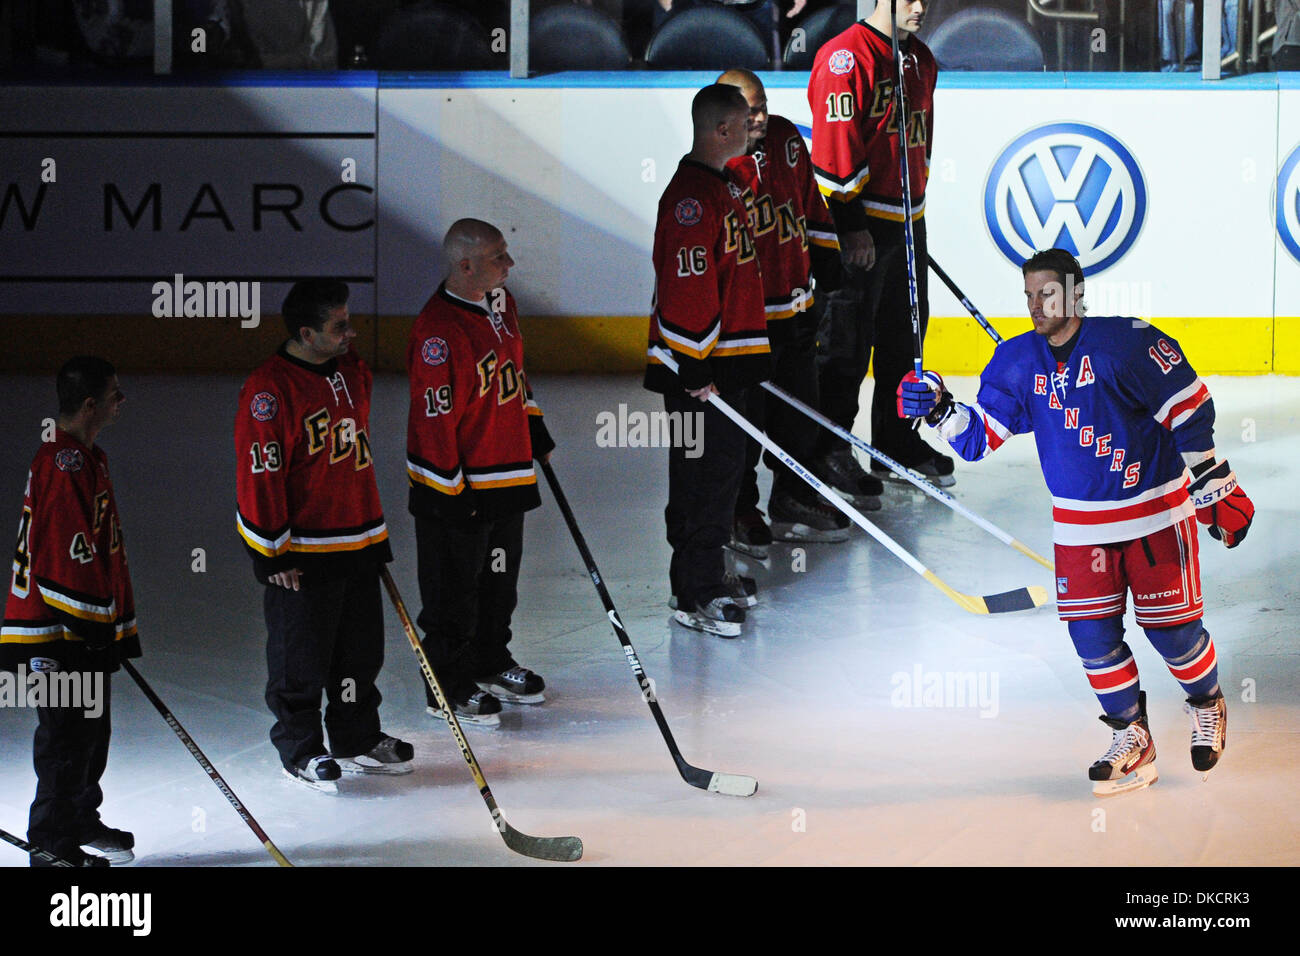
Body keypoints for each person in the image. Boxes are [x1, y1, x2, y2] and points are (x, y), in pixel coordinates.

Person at [898, 248, 1254, 797]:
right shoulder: (1018, 362)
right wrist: (941, 407)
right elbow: (977, 439)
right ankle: (1132, 736)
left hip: (1156, 514)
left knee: (1172, 632)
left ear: (1076, 292)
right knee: (1092, 638)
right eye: (1028, 296)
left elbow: (1188, 409)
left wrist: (1210, 478)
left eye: (1047, 293)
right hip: (1081, 529)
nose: (1036, 306)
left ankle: (1207, 704)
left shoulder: (1128, 342)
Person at [235, 279, 412, 793]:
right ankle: (301, 749)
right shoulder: (269, 391)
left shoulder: (352, 371)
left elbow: (353, 458)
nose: (351, 332)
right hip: (303, 552)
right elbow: (259, 474)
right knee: (300, 659)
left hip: (355, 539)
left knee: (359, 653)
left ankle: (356, 736)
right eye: (339, 327)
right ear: (307, 332)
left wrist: (373, 533)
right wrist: (271, 549)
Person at [406, 219, 556, 728]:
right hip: (462, 488)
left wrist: (533, 428)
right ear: (465, 264)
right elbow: (433, 423)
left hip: (507, 474)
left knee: (498, 581)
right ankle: (445, 683)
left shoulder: (499, 303)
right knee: (454, 591)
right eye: (498, 256)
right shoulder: (438, 332)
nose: (509, 264)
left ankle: (490, 660)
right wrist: (449, 492)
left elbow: (516, 374)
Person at [807, 0, 953, 494]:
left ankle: (895, 443)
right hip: (861, 226)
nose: (920, 7)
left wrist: (913, 219)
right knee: (846, 346)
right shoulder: (845, 58)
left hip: (907, 224)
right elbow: (835, 144)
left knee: (904, 342)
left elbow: (920, 144)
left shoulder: (921, 59)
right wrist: (850, 224)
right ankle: (829, 450)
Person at [644, 83, 770, 638]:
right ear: (722, 129)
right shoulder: (693, 199)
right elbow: (687, 287)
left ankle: (707, 573)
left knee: (722, 472)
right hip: (701, 371)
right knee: (701, 476)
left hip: (725, 364)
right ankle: (696, 590)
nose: (753, 128)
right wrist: (694, 364)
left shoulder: (722, 186)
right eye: (745, 122)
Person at [1, 357, 137, 866]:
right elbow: (61, 558)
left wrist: (108, 626)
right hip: (55, 633)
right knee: (63, 737)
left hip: (77, 630)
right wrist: (91, 624)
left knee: (90, 732)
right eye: (114, 395)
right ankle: (50, 843)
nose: (120, 403)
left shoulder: (84, 456)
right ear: (89, 405)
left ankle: (79, 817)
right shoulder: (66, 463)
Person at [718, 67, 852, 558]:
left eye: (764, 104)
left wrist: (827, 256)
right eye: (750, 109)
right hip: (749, 324)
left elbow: (810, 205)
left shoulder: (786, 138)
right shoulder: (716, 164)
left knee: (801, 416)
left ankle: (794, 498)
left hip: (797, 308)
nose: (761, 116)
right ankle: (740, 508)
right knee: (746, 425)